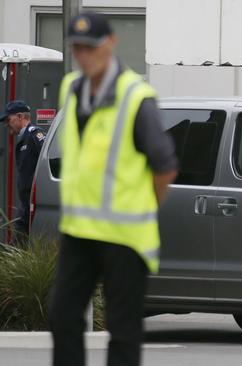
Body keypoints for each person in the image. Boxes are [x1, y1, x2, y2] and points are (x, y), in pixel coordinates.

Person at [48, 12, 178, 366]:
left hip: (125, 235)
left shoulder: (136, 97)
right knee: (61, 316)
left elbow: (164, 167)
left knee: (123, 330)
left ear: (110, 44)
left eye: (90, 47)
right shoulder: (72, 89)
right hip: (79, 230)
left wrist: (145, 207)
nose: (83, 55)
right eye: (77, 49)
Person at [0, 100, 46, 241]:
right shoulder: (24, 138)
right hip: (27, 203)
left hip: (34, 204)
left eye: (8, 119)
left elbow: (48, 161)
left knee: (19, 242)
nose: (7, 124)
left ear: (20, 117)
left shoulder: (34, 135)